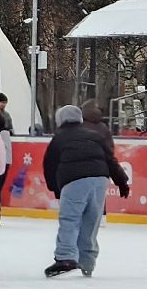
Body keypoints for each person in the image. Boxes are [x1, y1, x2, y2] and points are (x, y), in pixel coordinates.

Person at [44, 105, 130, 277]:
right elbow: (110, 160)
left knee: (70, 219)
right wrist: (122, 181)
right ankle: (87, 261)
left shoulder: (60, 138)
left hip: (74, 180)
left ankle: (66, 257)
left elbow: (49, 165)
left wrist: (55, 188)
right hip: (99, 179)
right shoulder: (95, 136)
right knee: (91, 220)